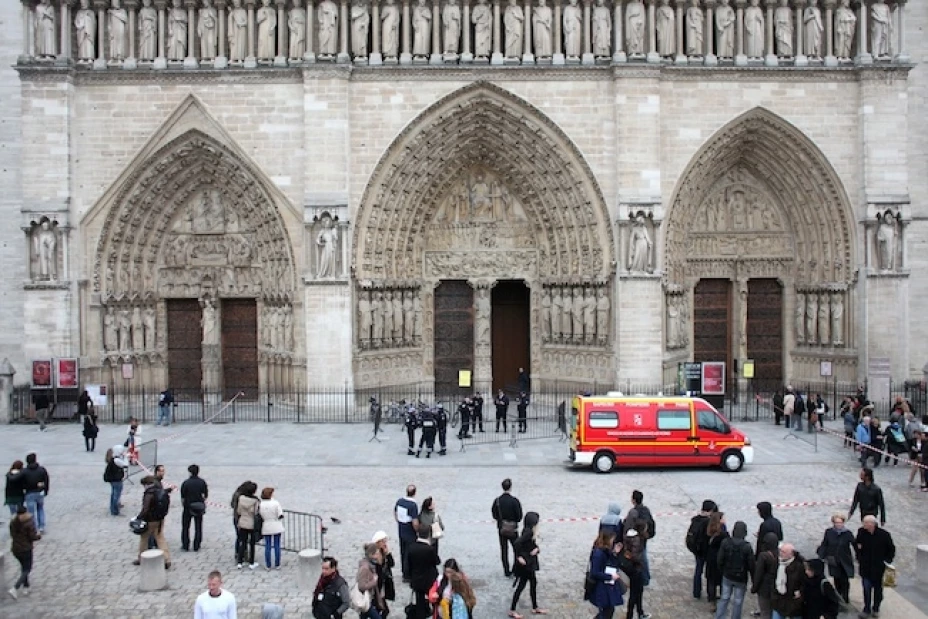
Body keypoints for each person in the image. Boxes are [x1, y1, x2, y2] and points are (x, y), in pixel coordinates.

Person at [854, 515, 895, 618]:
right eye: (863, 522)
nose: (864, 524)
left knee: (878, 590)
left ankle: (876, 608)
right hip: (865, 567)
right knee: (866, 589)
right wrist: (859, 557)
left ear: (872, 524)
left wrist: (887, 560)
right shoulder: (861, 532)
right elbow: (857, 545)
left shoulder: (884, 535)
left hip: (878, 568)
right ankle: (866, 608)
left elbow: (891, 549)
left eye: (866, 523)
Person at [509, 511, 547, 618]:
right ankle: (512, 610)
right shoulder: (528, 532)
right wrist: (519, 557)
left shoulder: (527, 531)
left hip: (529, 564)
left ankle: (535, 607)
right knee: (521, 586)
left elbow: (531, 545)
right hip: (526, 565)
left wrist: (537, 549)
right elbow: (517, 543)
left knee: (533, 584)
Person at [715, 521, 754, 619]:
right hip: (741, 578)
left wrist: (722, 571)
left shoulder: (726, 542)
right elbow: (751, 565)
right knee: (738, 601)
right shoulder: (747, 546)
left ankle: (719, 616)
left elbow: (720, 559)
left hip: (727, 575)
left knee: (724, 597)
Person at [133, 475, 171, 568]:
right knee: (160, 538)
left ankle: (141, 558)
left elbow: (145, 509)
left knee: (144, 539)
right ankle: (166, 559)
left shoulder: (149, 494)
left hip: (150, 520)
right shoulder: (160, 491)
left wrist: (139, 518)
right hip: (160, 519)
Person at [815, 514, 854, 605]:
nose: (838, 524)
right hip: (833, 560)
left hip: (845, 560)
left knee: (844, 580)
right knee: (836, 579)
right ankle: (838, 597)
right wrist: (821, 555)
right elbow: (825, 544)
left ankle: (845, 597)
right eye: (836, 523)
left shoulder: (847, 533)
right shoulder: (829, 532)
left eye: (840, 522)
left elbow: (855, 544)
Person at [587, 530, 625, 619]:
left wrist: (615, 553)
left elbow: (612, 563)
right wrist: (610, 576)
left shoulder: (606, 551)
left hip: (607, 586)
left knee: (608, 610)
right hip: (601, 587)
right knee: (606, 612)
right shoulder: (598, 554)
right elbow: (595, 572)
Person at [8, 505, 41, 600]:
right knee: (27, 569)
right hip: (26, 549)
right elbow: (33, 537)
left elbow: (12, 535)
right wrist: (38, 536)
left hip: (15, 549)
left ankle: (26, 587)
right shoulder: (28, 522)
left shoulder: (13, 523)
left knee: (23, 568)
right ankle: (15, 588)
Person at [492, 478, 523, 577]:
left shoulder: (497, 501)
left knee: (504, 550)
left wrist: (500, 520)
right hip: (513, 529)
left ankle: (506, 570)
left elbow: (494, 514)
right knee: (516, 549)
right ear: (510, 487)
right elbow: (519, 517)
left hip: (502, 528)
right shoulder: (514, 501)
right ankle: (515, 568)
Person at [408, 524, 440, 619]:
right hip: (429, 580)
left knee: (419, 603)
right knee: (434, 600)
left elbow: (409, 565)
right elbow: (437, 561)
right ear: (429, 534)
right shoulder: (429, 549)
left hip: (417, 579)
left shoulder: (411, 547)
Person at [624, 490, 654, 586]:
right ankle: (646, 577)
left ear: (633, 500)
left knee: (639, 558)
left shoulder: (633, 512)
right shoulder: (646, 510)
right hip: (644, 537)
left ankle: (643, 578)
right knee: (644, 555)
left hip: (636, 539)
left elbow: (627, 526)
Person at [688, 499, 716, 600]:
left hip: (696, 549)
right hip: (705, 550)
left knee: (698, 570)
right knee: (709, 572)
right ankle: (710, 594)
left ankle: (696, 592)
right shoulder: (708, 521)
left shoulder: (696, 519)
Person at [770, 543, 804, 619]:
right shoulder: (777, 562)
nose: (780, 553)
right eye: (780, 551)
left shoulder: (800, 566)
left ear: (791, 554)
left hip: (794, 602)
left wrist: (799, 595)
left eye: (783, 552)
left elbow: (804, 583)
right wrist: (773, 594)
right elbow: (772, 578)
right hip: (778, 600)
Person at [180, 464, 209, 552]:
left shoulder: (186, 483)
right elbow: (205, 495)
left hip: (188, 507)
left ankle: (185, 544)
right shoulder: (202, 482)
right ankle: (197, 545)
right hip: (198, 506)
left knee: (185, 527)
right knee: (198, 526)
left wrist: (184, 505)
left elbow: (183, 497)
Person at [395, 484, 419, 581]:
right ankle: (408, 574)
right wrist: (417, 531)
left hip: (401, 530)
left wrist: (400, 522)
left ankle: (404, 572)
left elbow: (395, 513)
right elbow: (415, 521)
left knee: (403, 551)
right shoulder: (413, 505)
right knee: (409, 553)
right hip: (410, 532)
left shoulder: (400, 501)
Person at [706, 511, 729, 613]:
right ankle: (722, 601)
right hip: (720, 558)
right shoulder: (723, 533)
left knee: (711, 580)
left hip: (710, 558)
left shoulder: (709, 530)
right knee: (722, 581)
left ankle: (712, 601)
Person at [357, 542, 387, 619]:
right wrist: (374, 582)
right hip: (367, 600)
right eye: (377, 553)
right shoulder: (365, 568)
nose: (379, 555)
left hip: (373, 598)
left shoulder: (373, 565)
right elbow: (361, 586)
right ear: (372, 554)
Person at [752, 532, 779, 619]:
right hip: (776, 588)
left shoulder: (764, 556)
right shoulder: (780, 554)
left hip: (764, 589)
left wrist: (754, 588)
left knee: (765, 612)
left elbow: (758, 574)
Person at [21, 453, 49, 534]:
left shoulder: (24, 471)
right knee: (40, 508)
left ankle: (34, 527)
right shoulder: (41, 469)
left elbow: (21, 482)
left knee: (31, 511)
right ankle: (41, 526)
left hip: (30, 493)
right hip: (40, 492)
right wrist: (46, 490)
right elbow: (46, 480)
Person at [235, 481, 260, 569]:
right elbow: (256, 512)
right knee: (252, 544)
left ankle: (239, 562)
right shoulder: (255, 500)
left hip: (242, 522)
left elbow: (238, 511)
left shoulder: (241, 498)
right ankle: (251, 562)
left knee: (243, 542)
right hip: (251, 523)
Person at [258, 486, 285, 570]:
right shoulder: (275, 503)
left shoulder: (260, 504)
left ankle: (268, 564)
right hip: (276, 524)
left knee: (268, 546)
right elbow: (280, 515)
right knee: (277, 545)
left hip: (266, 524)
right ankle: (277, 564)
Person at [371, 531, 396, 614]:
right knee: (383, 610)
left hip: (383, 586)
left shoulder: (383, 552)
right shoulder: (374, 555)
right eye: (383, 541)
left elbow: (391, 564)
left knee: (381, 609)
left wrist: (388, 553)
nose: (385, 543)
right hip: (376, 587)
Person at [103, 446, 129, 516]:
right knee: (116, 495)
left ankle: (112, 508)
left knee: (114, 494)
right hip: (116, 480)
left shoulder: (114, 459)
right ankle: (115, 511)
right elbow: (125, 464)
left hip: (113, 479)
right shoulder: (116, 460)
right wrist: (126, 457)